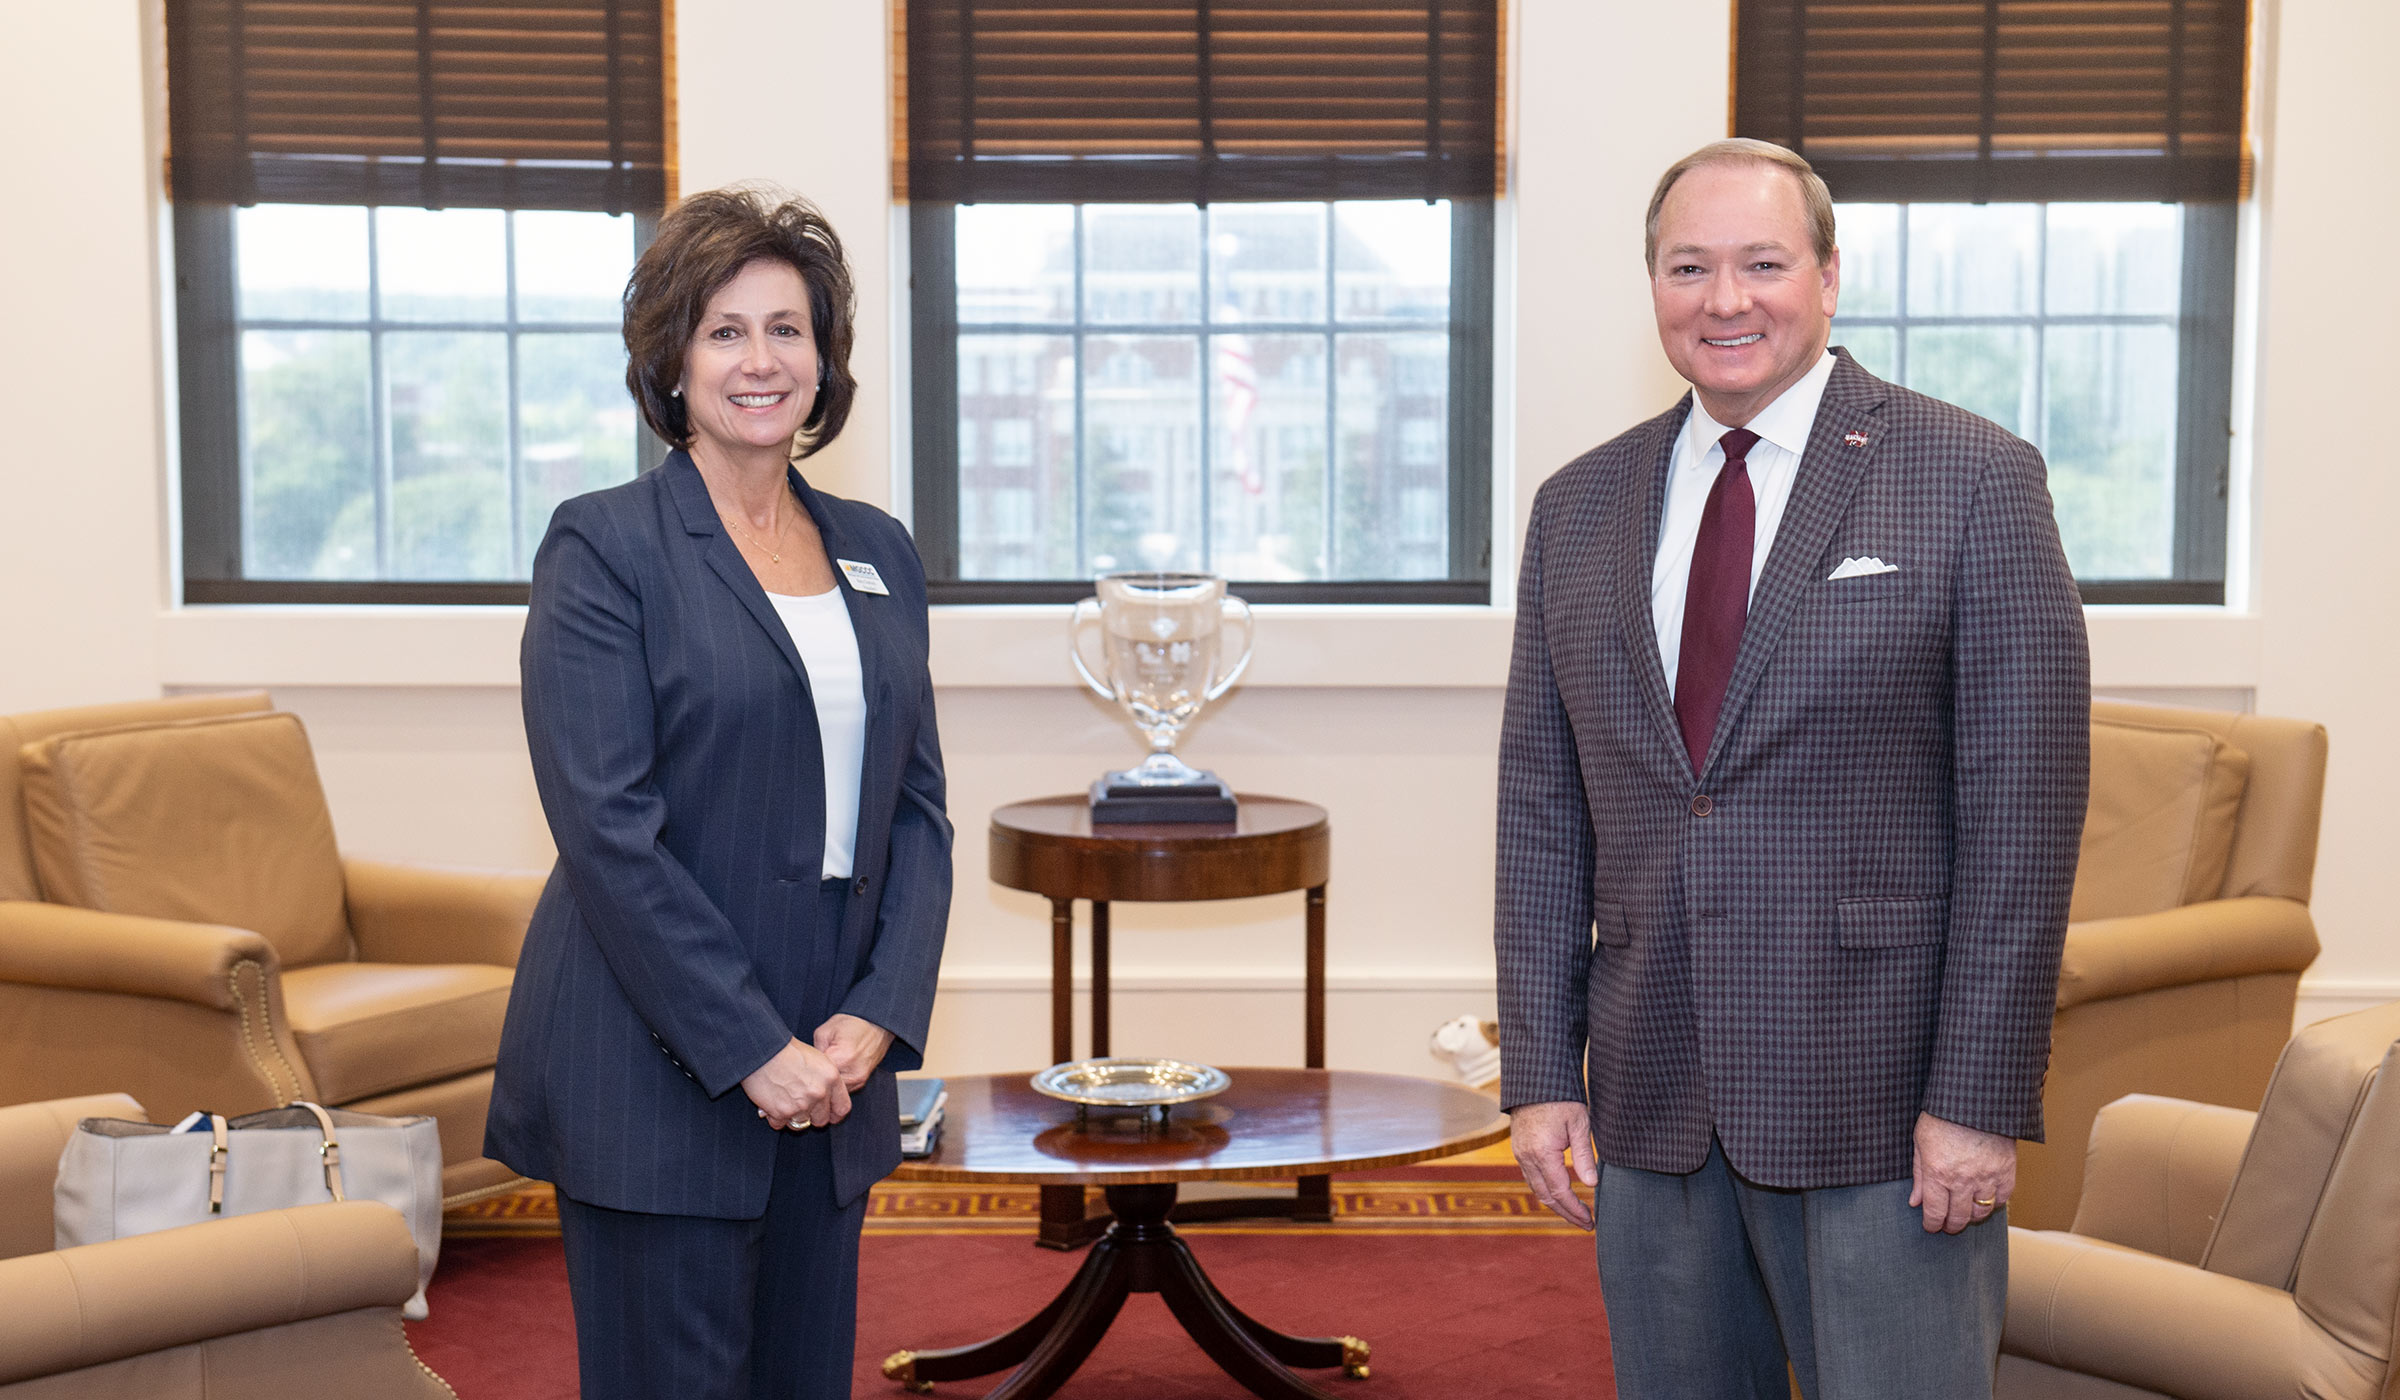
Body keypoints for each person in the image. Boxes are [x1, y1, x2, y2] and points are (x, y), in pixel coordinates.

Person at [1494, 139, 2089, 1399]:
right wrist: (1546, 1071)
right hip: (1653, 1087)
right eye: (1689, 266)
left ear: (1828, 276)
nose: (1726, 299)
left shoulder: (1974, 479)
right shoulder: (1577, 507)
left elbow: (2022, 819)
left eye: (1763, 262)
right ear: (1652, 284)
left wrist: (1978, 1095)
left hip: (1884, 1098)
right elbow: (1543, 815)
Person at [487, 186, 952, 1400]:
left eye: (787, 329)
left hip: (835, 1068)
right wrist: (752, 1045)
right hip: (658, 1067)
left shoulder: (877, 548)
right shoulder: (605, 547)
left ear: (823, 357)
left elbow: (916, 808)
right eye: (725, 330)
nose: (761, 360)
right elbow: (607, 830)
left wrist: (877, 1013)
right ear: (674, 360)